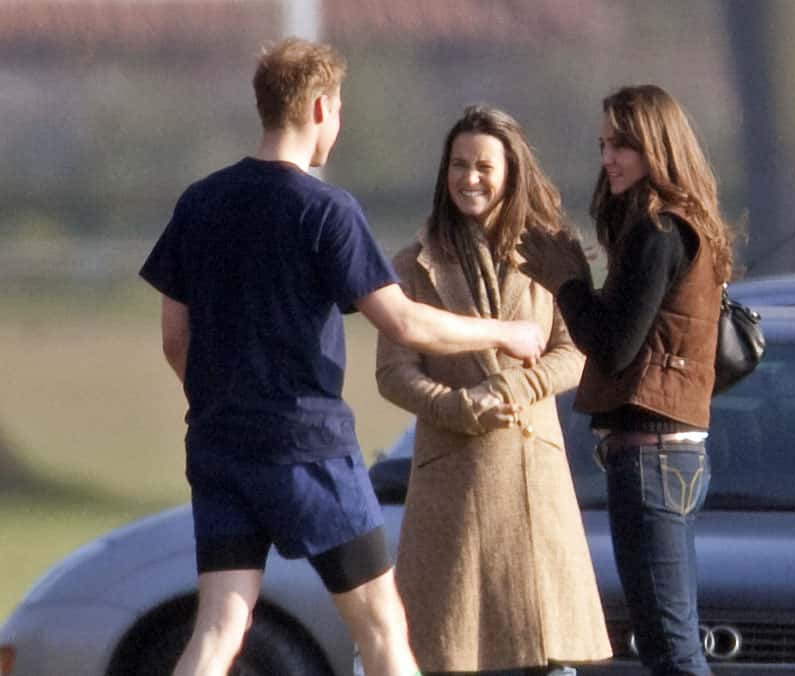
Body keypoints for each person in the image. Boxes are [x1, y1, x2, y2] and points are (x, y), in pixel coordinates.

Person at [139, 39, 545, 676]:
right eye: (340, 109)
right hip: (308, 450)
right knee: (381, 625)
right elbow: (403, 322)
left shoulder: (200, 201)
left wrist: (225, 405)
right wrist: (503, 333)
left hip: (218, 446)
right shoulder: (326, 210)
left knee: (218, 628)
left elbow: (174, 337)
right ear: (321, 108)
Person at [376, 105, 612, 676]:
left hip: (533, 480)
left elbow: (576, 351)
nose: (470, 178)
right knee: (451, 652)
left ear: (512, 172)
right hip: (450, 487)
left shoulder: (554, 252)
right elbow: (393, 373)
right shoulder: (412, 265)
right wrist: (459, 407)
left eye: (484, 166)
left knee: (547, 656)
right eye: (459, 165)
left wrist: (514, 386)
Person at [518, 85, 734, 676]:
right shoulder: (680, 223)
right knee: (670, 641)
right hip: (669, 457)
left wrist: (567, 282)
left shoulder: (658, 231)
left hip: (652, 460)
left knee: (670, 648)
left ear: (658, 147)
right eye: (603, 145)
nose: (608, 158)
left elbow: (613, 347)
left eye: (623, 146)